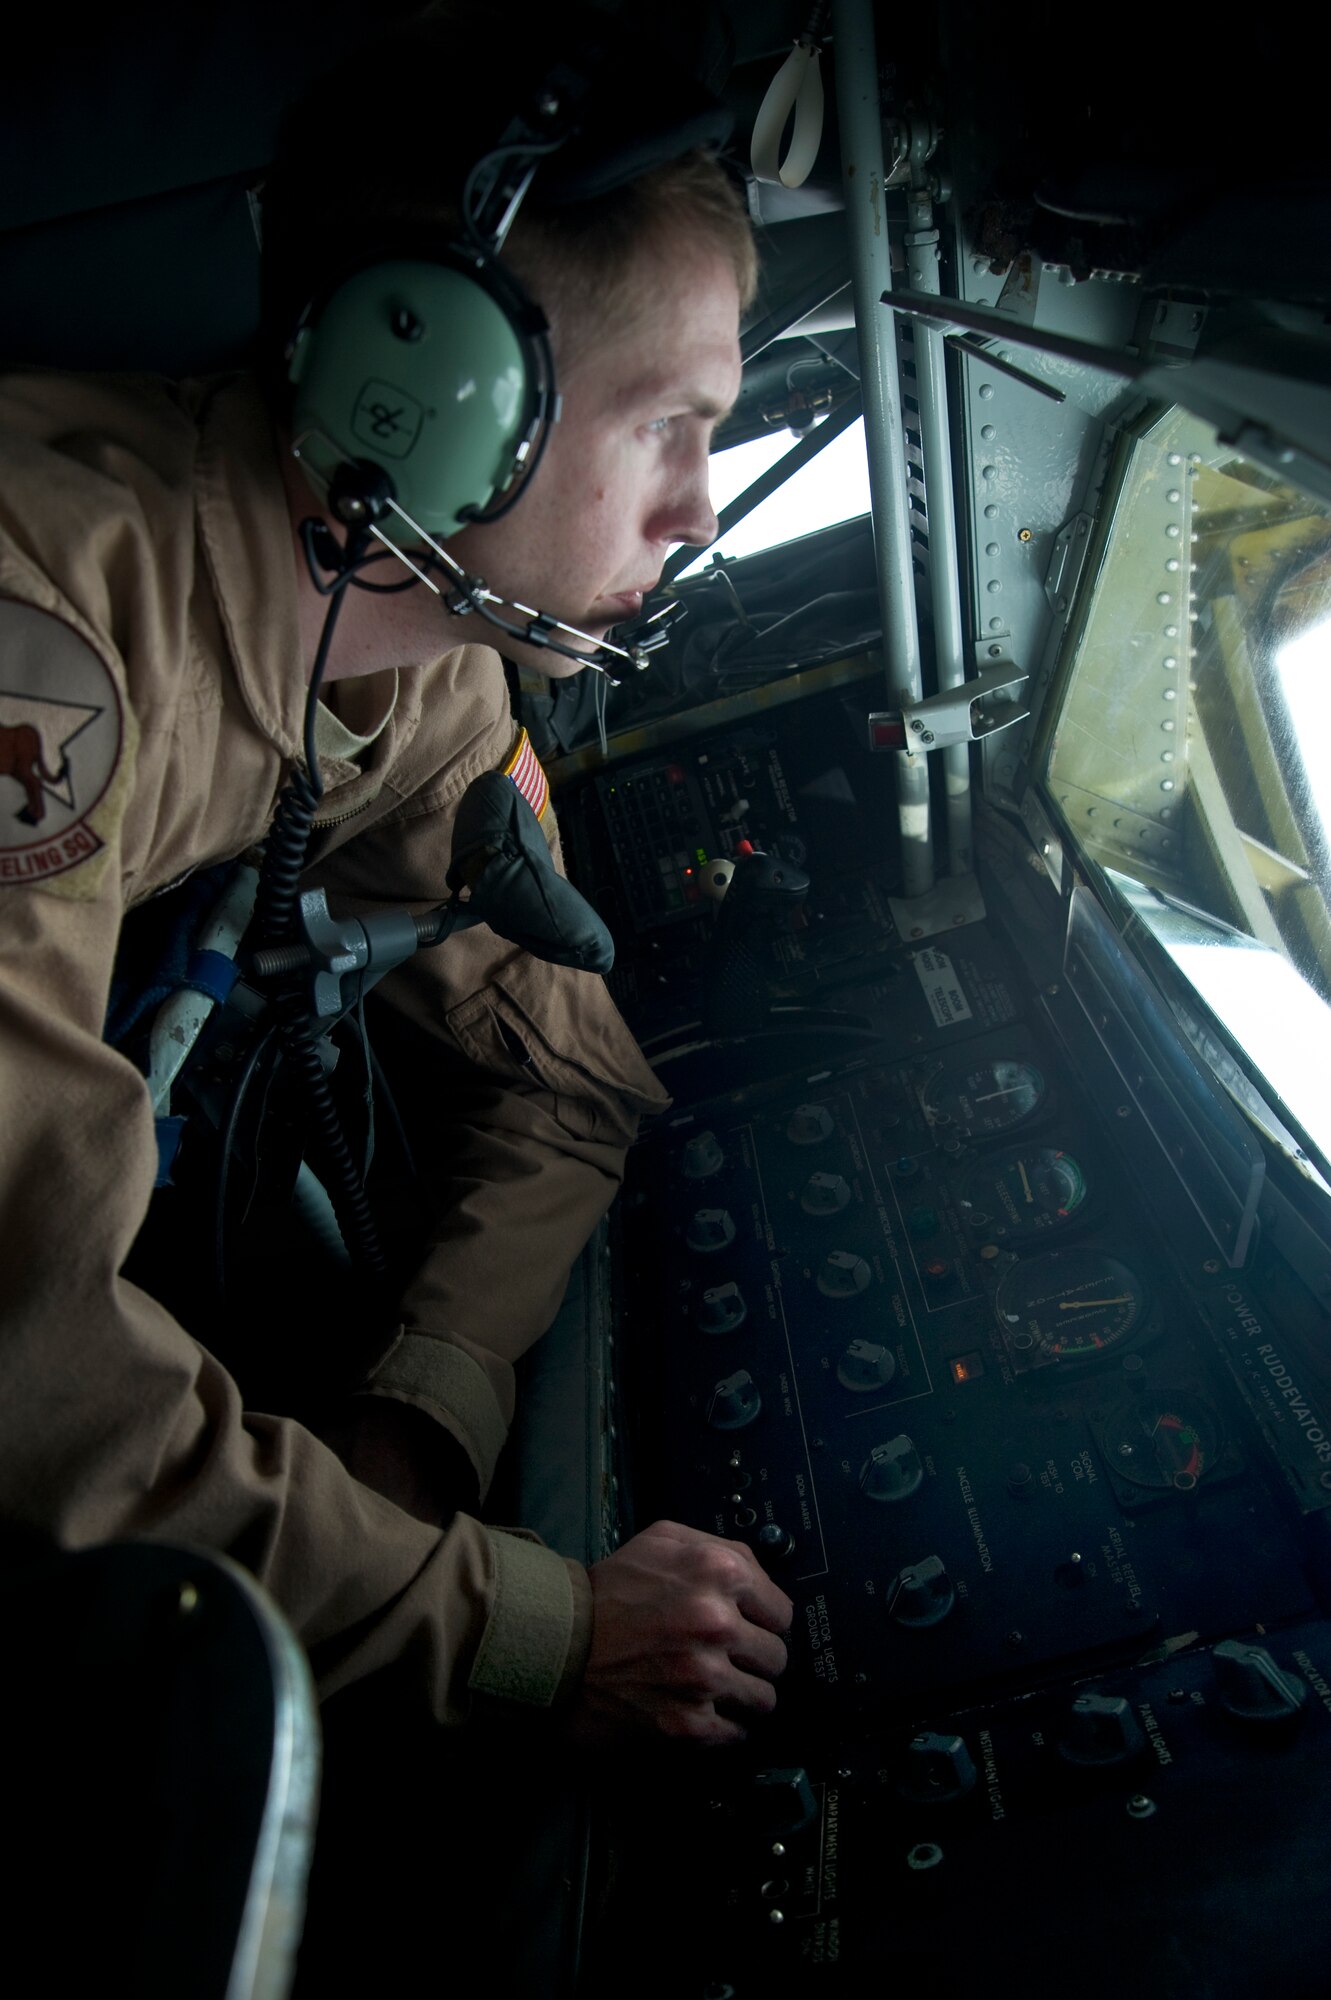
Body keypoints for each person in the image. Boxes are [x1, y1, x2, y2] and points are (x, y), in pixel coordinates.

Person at [0, 9, 793, 1755]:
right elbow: (24, 1370)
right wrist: (530, 1630)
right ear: (425, 400)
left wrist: (416, 1424)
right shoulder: (40, 627)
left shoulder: (427, 678)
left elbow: (571, 1074)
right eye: (671, 425)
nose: (700, 509)